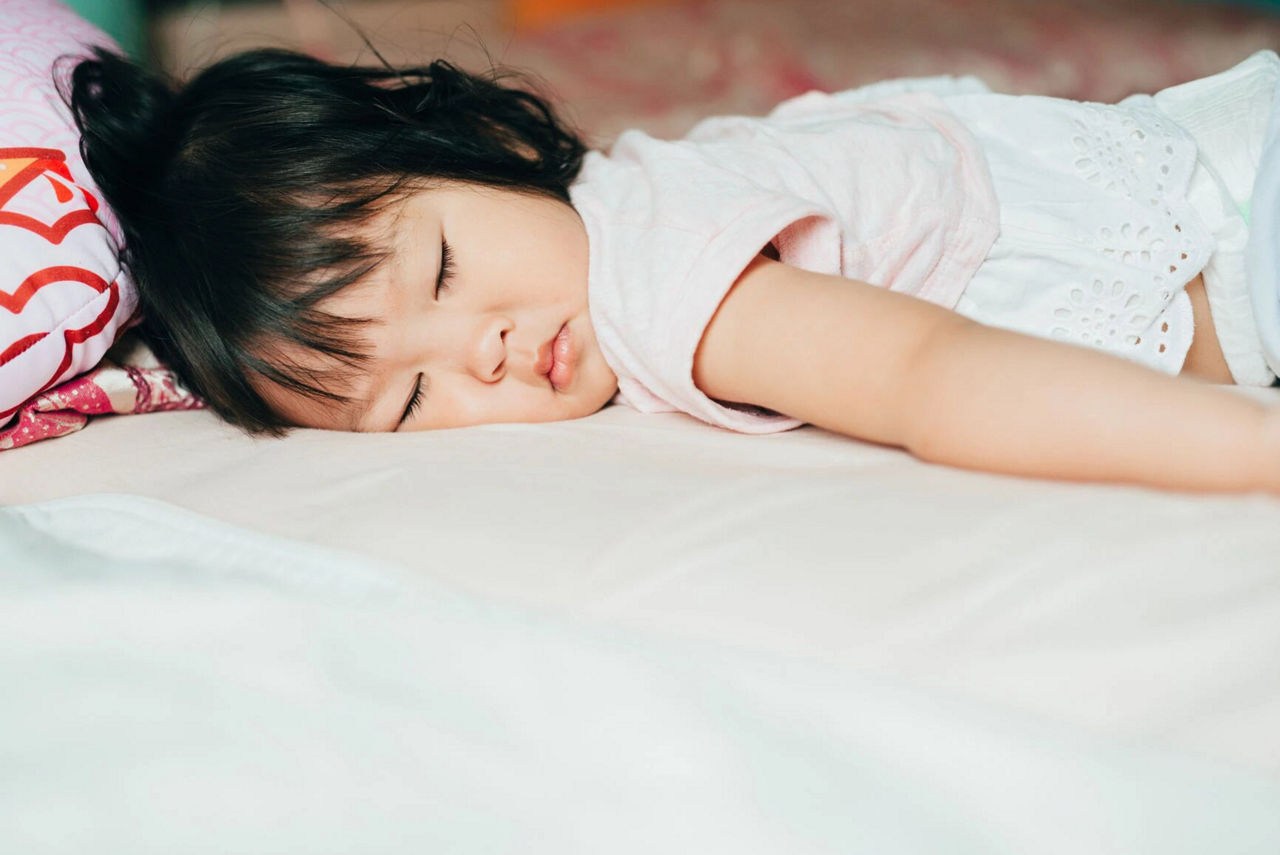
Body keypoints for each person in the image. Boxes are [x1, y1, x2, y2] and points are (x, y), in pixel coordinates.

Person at [64, 45, 1280, 495]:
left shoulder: (655, 278)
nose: (477, 352)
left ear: (479, 146)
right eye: (411, 400)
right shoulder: (646, 185)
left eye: (437, 275)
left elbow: (933, 378)